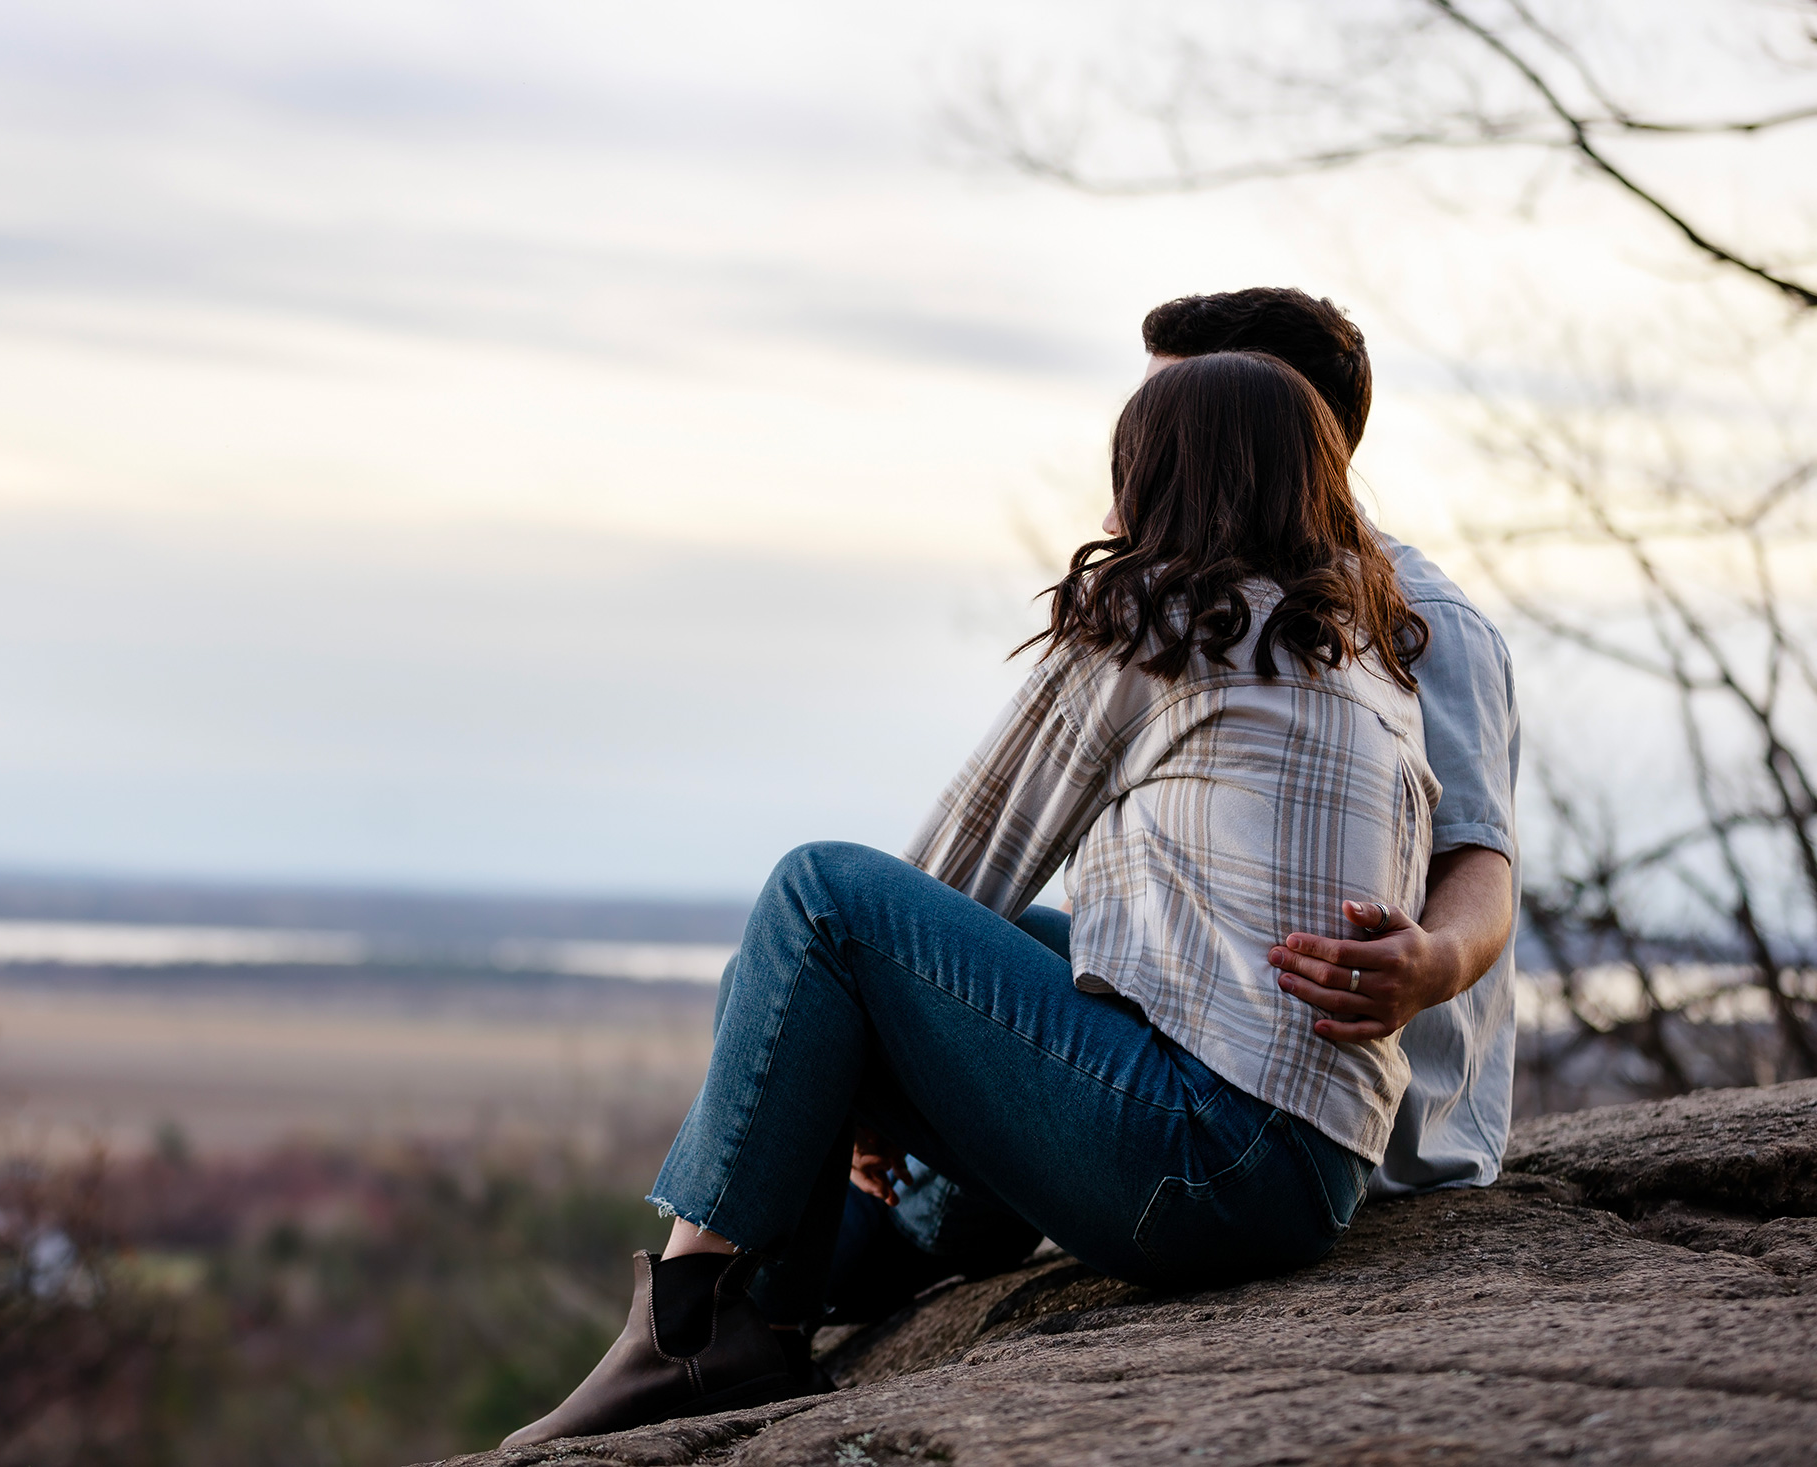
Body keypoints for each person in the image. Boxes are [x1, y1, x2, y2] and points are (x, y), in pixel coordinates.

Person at [503, 349, 1444, 1448]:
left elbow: (954, 870)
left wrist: (858, 1056)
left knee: (817, 900)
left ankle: (698, 1321)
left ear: (1160, 480)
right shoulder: (1368, 662)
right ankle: (886, 1246)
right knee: (1049, 945)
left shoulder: (1167, 625)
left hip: (1203, 1160)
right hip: (1313, 1174)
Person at [833, 292, 1523, 1301]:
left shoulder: (1417, 615)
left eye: (1173, 423)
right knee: (1000, 952)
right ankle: (891, 1228)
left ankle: (765, 1290)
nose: (1134, 472)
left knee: (836, 923)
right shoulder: (1217, 604)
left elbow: (1478, 857)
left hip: (1344, 1122)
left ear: (1265, 427)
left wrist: (1433, 961)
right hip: (1214, 1062)